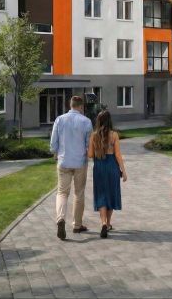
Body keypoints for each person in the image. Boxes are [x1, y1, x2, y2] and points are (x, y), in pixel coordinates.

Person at [50, 96, 93, 240]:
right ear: (81, 106)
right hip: (80, 162)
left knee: (62, 192)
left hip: (63, 161)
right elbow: (89, 144)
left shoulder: (60, 119)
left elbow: (53, 142)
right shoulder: (86, 121)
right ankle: (77, 225)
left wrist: (55, 153)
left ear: (70, 105)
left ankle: (60, 219)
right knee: (79, 193)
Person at [87, 110, 127, 238]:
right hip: (112, 166)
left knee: (101, 195)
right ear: (110, 121)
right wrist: (123, 171)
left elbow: (90, 155)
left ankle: (103, 223)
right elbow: (118, 155)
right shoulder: (114, 135)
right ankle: (108, 223)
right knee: (111, 194)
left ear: (98, 121)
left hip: (99, 167)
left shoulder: (94, 136)